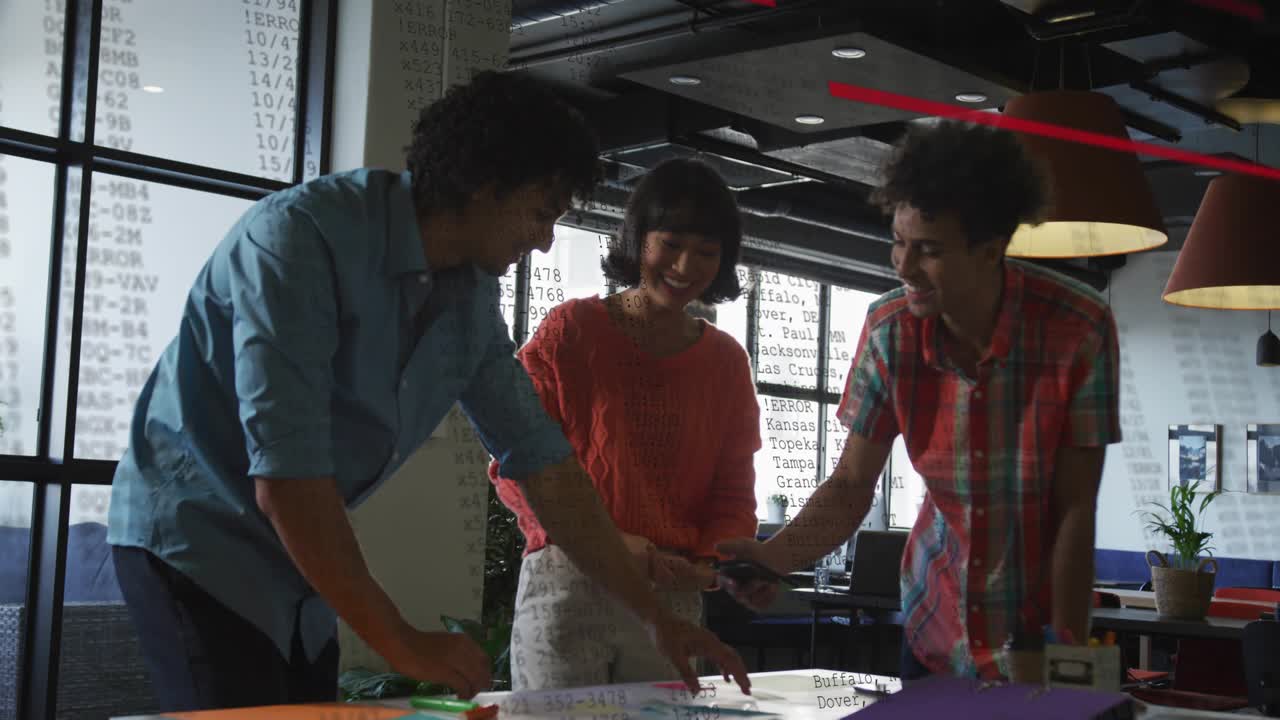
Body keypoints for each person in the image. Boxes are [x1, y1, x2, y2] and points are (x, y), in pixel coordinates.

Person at [106, 71, 749, 713]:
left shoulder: (468, 297)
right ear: (483, 187)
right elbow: (288, 476)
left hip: (293, 564)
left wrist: (653, 617)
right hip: (199, 534)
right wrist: (402, 643)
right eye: (539, 212)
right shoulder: (300, 240)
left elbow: (544, 464)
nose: (543, 239)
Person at [717, 119, 1122, 681]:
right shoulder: (889, 331)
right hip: (934, 627)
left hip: (1034, 637)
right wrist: (774, 558)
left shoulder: (1080, 327)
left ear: (991, 247)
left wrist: (1068, 654)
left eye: (928, 250)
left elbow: (1076, 507)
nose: (904, 266)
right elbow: (853, 484)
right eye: (899, 242)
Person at [489, 158, 760, 690]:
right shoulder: (571, 331)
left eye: (707, 252)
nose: (686, 265)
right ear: (639, 239)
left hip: (672, 585)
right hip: (569, 575)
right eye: (671, 243)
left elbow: (733, 491)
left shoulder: (726, 361)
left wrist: (712, 562)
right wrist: (610, 540)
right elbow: (513, 468)